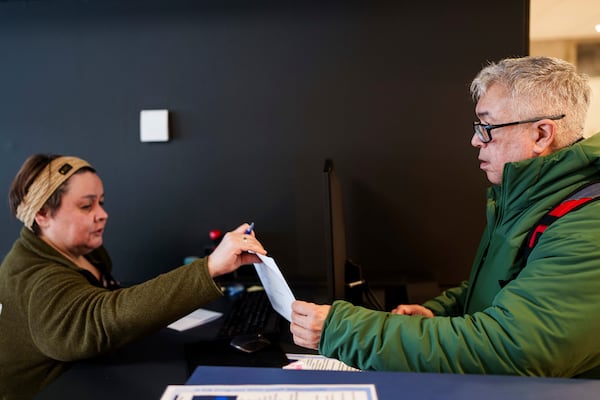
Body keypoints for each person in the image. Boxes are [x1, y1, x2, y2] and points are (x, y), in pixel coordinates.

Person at [290, 55, 600, 378]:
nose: (475, 139)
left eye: (487, 126)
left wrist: (343, 330)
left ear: (541, 135)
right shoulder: (530, 201)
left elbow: (510, 348)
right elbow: (493, 290)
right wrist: (438, 313)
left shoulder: (586, 226)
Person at [0, 154, 267, 399]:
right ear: (43, 215)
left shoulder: (80, 253)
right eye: (86, 206)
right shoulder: (36, 277)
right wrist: (208, 268)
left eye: (101, 202)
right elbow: (96, 320)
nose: (102, 214)